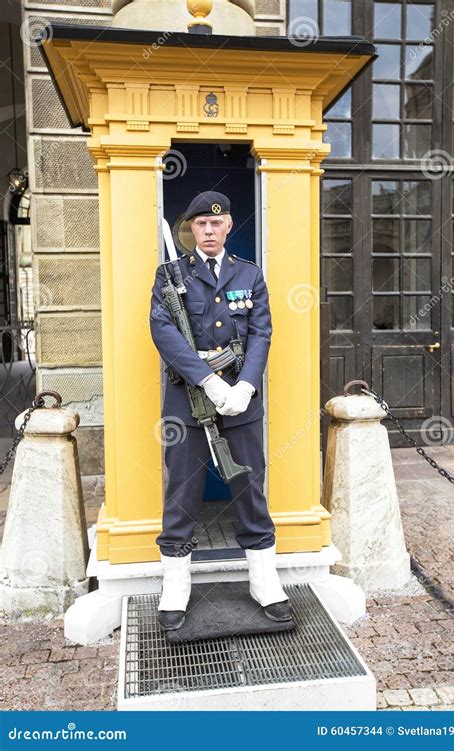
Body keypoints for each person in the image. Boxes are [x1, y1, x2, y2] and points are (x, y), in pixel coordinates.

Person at [150, 190, 292, 630]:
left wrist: (245, 385)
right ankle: (176, 585)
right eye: (200, 224)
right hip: (187, 401)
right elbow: (163, 331)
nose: (209, 231)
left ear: (229, 225)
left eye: (217, 223)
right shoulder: (170, 276)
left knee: (250, 488)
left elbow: (261, 334)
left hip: (241, 403)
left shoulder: (249, 275)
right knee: (182, 492)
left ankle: (264, 582)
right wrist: (207, 380)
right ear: (190, 229)